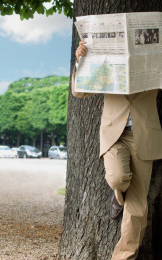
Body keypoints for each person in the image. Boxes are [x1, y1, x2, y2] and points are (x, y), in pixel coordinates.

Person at [72, 41, 162, 260]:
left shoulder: (155, 59)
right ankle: (119, 196)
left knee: (138, 207)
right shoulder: (105, 64)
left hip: (144, 134)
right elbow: (79, 92)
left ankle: (123, 257)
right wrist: (81, 61)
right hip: (115, 134)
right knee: (117, 178)